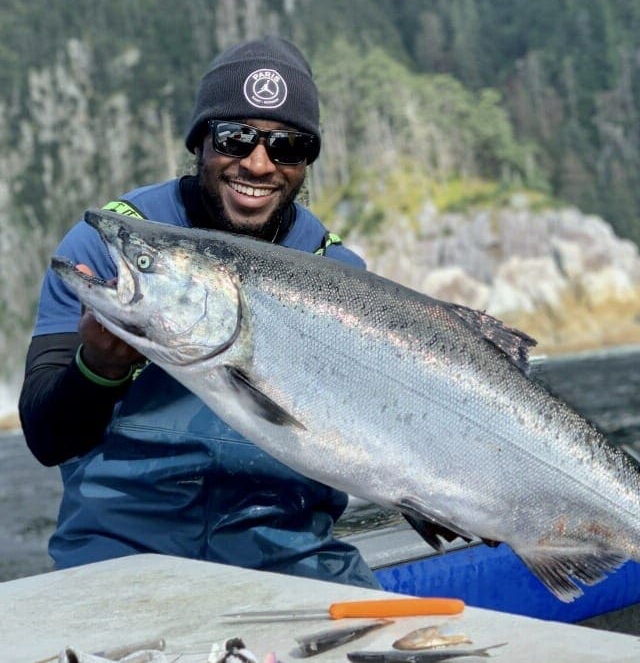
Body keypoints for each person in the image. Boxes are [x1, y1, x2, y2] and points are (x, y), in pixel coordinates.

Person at [18, 36, 379, 588]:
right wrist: (98, 370)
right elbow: (47, 439)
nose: (259, 164)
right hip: (122, 559)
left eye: (288, 146)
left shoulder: (344, 282)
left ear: (306, 162)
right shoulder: (111, 253)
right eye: (235, 137)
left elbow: (386, 438)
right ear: (200, 143)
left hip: (294, 562)